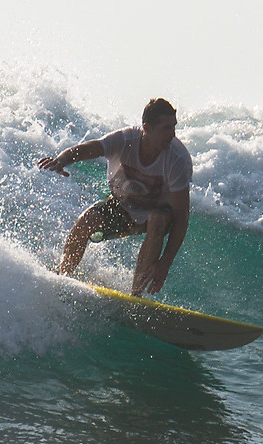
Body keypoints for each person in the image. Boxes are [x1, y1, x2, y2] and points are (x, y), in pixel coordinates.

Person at [36, 98, 193, 297]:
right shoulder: (126, 140)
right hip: (123, 207)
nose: (173, 134)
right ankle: (62, 278)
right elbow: (88, 148)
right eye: (166, 128)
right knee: (86, 221)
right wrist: (61, 160)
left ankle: (135, 298)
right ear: (147, 128)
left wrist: (164, 264)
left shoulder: (177, 159)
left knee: (158, 219)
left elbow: (181, 218)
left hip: (157, 215)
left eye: (174, 127)